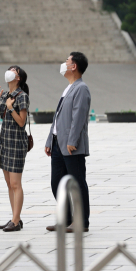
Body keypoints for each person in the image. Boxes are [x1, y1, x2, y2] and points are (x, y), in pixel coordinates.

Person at [45, 52, 91, 232]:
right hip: (58, 143)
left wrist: (72, 140)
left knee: (77, 183)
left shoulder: (81, 88)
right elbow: (58, 117)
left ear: (74, 66)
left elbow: (78, 117)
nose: (63, 64)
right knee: (57, 182)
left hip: (72, 146)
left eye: (67, 61)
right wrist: (50, 139)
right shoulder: (68, 88)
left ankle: (81, 222)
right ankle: (66, 219)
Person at [0, 66, 30, 232]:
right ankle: (15, 218)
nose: (9, 71)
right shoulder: (5, 96)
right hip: (4, 142)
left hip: (16, 143)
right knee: (9, 183)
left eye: (14, 70)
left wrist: (11, 107)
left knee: (15, 183)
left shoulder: (22, 96)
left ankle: (15, 220)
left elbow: (21, 122)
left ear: (18, 77)